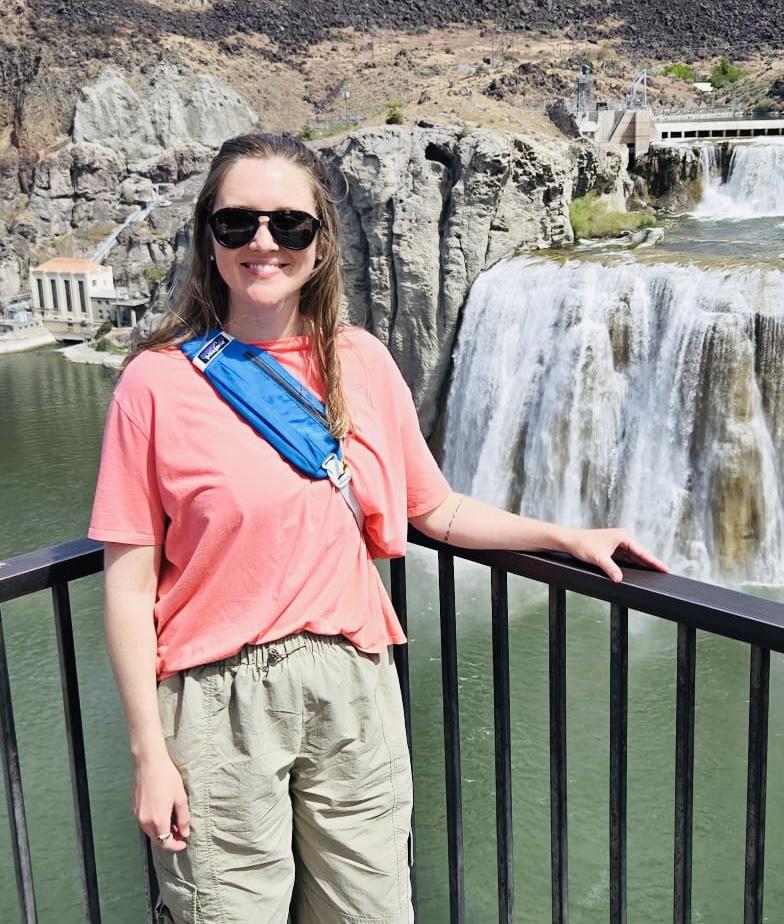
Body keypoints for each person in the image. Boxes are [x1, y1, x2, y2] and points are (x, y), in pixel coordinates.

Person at [88, 131, 667, 924]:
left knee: (374, 910)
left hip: (353, 686)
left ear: (321, 244)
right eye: (239, 224)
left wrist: (567, 536)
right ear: (209, 240)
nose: (265, 242)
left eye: (290, 225)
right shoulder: (153, 385)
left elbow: (439, 510)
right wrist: (149, 754)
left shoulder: (360, 362)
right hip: (219, 706)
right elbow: (127, 587)